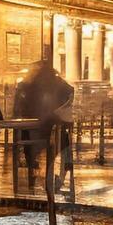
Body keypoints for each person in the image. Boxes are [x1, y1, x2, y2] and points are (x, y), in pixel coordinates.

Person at [17, 60, 73, 191]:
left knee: (33, 151)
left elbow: (22, 104)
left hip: (35, 127)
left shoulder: (30, 84)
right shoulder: (57, 83)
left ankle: (34, 175)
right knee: (58, 150)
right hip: (53, 125)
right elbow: (70, 92)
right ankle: (56, 177)